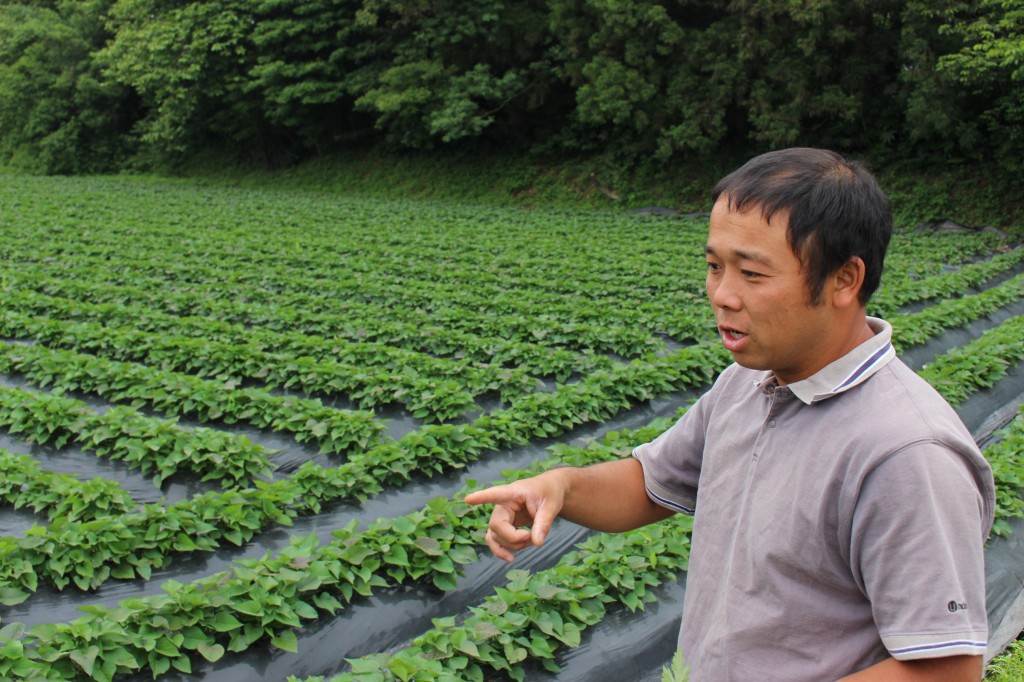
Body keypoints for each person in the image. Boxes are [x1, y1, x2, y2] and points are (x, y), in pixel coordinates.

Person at [465, 148, 996, 681]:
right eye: (715, 266)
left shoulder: (907, 454)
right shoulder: (748, 383)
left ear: (844, 279)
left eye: (752, 273)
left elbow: (946, 671)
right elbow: (651, 484)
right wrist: (561, 488)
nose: (722, 295)